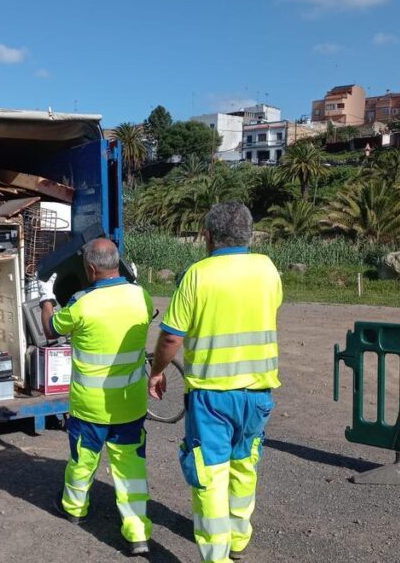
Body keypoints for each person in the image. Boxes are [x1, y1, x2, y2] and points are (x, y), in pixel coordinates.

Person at [148, 202, 282, 563]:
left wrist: (157, 371)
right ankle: (238, 540)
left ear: (207, 236)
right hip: (257, 394)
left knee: (209, 475)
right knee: (244, 465)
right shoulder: (268, 270)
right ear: (249, 235)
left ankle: (216, 555)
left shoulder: (198, 275)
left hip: (211, 396)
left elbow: (171, 338)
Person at [40, 237, 155, 557]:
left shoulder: (81, 304)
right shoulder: (141, 297)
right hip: (130, 405)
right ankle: (137, 533)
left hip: (90, 407)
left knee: (83, 460)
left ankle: (74, 508)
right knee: (131, 467)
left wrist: (46, 297)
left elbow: (51, 329)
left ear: (90, 268)